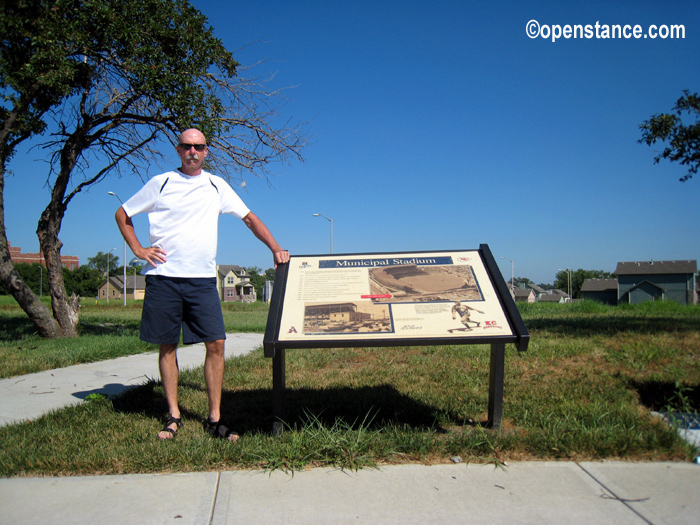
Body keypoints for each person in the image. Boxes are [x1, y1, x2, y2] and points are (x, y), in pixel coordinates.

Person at [115, 128, 289, 442]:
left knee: (217, 344)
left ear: (206, 151)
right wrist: (139, 250)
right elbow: (123, 213)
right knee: (167, 346)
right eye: (187, 146)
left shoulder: (216, 185)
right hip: (163, 278)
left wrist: (274, 247)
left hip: (202, 280)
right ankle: (173, 415)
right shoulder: (162, 182)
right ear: (179, 150)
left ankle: (214, 419)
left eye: (199, 147)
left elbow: (248, 218)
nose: (192, 151)